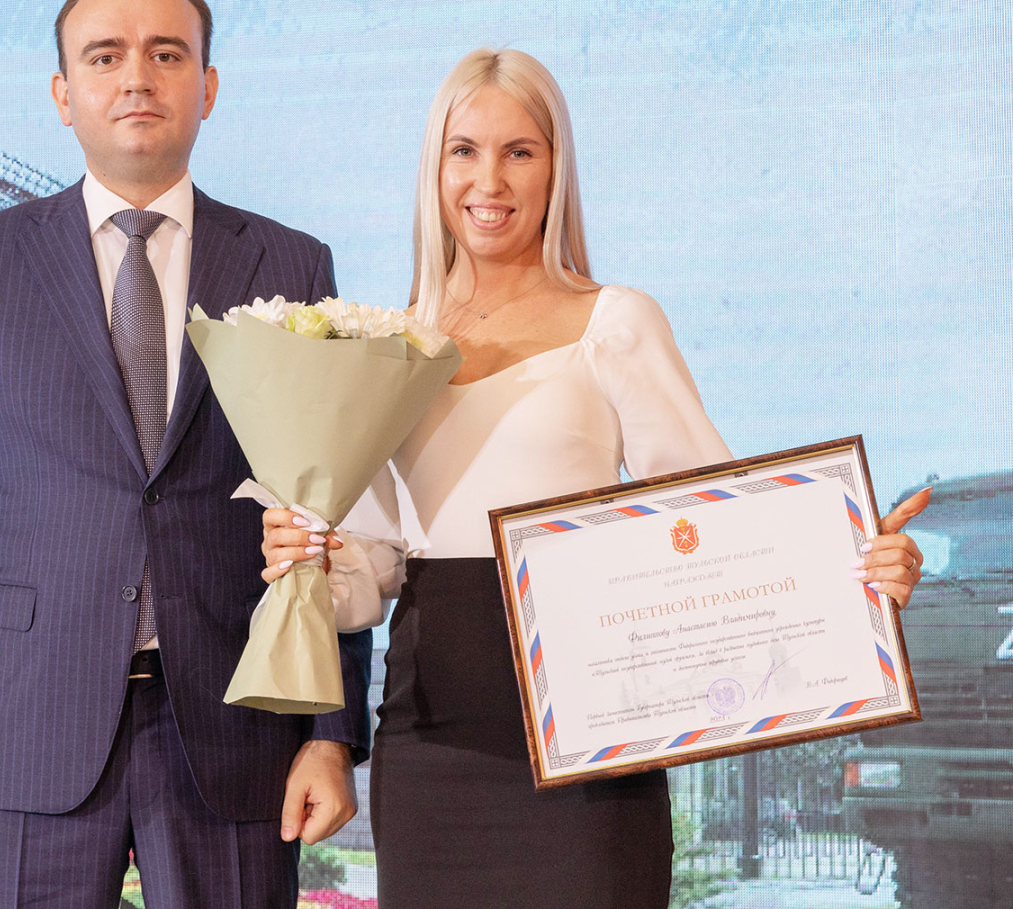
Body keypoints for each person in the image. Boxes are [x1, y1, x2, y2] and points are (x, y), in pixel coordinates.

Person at [258, 48, 930, 908]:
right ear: (435, 168)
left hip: (595, 756)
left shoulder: (616, 323)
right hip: (429, 752)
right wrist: (311, 559)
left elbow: (724, 531)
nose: (489, 180)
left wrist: (856, 565)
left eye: (519, 151)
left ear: (556, 169)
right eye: (464, 150)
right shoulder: (387, 347)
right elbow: (371, 579)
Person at [0, 0, 372, 909]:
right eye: (105, 57)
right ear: (63, 94)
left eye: (166, 54)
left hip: (238, 725)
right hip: (26, 722)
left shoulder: (291, 264)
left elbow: (326, 512)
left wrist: (329, 732)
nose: (137, 76)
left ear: (207, 87)